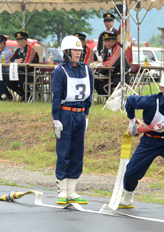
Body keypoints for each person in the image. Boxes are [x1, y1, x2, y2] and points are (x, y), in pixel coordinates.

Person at [120, 70, 164, 217]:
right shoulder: (151, 101)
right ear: (162, 89)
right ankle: (127, 199)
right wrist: (132, 121)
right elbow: (130, 101)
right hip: (149, 141)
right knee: (131, 171)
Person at [52, 35, 93, 205]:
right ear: (67, 52)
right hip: (66, 114)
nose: (79, 53)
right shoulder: (60, 71)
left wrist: (87, 114)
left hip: (80, 114)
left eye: (80, 50)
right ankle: (62, 189)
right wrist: (56, 119)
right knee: (64, 151)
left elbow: (89, 94)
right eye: (75, 50)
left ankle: (72, 190)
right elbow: (56, 96)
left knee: (77, 152)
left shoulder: (86, 69)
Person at [8, 31, 39, 101]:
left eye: (22, 41)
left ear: (26, 41)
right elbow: (10, 59)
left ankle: (26, 96)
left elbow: (26, 62)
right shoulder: (18, 51)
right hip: (21, 73)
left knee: (21, 81)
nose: (20, 43)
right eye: (18, 41)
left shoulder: (30, 50)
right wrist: (16, 61)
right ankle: (22, 94)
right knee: (9, 82)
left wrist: (16, 62)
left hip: (31, 74)